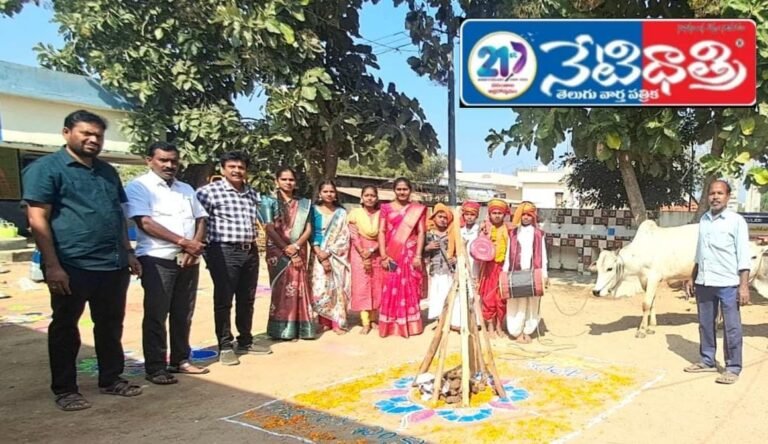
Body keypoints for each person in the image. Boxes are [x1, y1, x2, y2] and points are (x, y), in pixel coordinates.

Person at [22, 110, 143, 411]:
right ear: (66, 133)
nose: (93, 139)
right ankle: (65, 389)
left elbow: (118, 214)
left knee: (110, 324)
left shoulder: (106, 171)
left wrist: (128, 252)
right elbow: (38, 218)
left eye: (98, 135)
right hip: (72, 264)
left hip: (112, 264)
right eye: (86, 133)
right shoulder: (46, 169)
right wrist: (52, 265)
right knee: (65, 326)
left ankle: (111, 379)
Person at [125, 142, 209, 385]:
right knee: (157, 314)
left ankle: (181, 359)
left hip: (188, 259)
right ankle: (156, 367)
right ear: (149, 160)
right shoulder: (140, 186)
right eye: (163, 160)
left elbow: (200, 218)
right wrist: (184, 241)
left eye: (173, 160)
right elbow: (145, 223)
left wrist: (194, 246)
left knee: (183, 312)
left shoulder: (186, 189)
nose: (169, 165)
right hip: (157, 259)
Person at [196, 152, 271, 366]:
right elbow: (199, 222)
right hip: (223, 251)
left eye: (241, 167)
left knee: (247, 298)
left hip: (250, 250)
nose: (237, 170)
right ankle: (225, 345)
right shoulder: (208, 193)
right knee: (224, 300)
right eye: (232, 166)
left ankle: (245, 340)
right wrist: (206, 253)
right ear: (222, 169)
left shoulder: (252, 194)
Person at [685, 180, 751, 384]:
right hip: (705, 281)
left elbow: (743, 256)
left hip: (728, 283)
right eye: (712, 193)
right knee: (705, 324)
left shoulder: (736, 221)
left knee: (731, 327)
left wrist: (744, 286)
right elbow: (700, 252)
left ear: (728, 196)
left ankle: (732, 367)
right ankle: (707, 360)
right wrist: (692, 276)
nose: (715, 197)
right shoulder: (704, 219)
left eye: (719, 193)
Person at [263, 167, 318, 340]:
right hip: (277, 251)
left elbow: (308, 228)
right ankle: (281, 329)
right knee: (281, 289)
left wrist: (296, 246)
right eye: (284, 179)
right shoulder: (267, 201)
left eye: (291, 180)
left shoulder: (304, 204)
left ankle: (300, 328)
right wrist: (287, 249)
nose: (288, 183)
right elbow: (268, 227)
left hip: (298, 248)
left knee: (299, 287)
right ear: (277, 181)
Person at [378, 178, 426, 338]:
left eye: (405, 189)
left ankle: (410, 324)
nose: (402, 192)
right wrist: (384, 255)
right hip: (392, 254)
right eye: (399, 189)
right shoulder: (385, 208)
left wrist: (418, 255)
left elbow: (421, 232)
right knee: (390, 286)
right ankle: (391, 325)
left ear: (410, 190)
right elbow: (381, 232)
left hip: (410, 254)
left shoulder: (417, 209)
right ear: (394, 190)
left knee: (410, 286)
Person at [310, 180, 351, 334]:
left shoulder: (341, 213)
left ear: (335, 194)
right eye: (325, 191)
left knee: (337, 288)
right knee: (321, 288)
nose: (329, 194)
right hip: (317, 255)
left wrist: (329, 252)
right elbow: (310, 233)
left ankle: (337, 322)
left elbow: (344, 236)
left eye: (331, 191)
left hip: (336, 256)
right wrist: (319, 253)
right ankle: (323, 321)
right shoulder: (313, 211)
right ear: (320, 193)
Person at [506, 202, 547, 344]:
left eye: (528, 215)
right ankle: (516, 332)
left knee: (532, 303)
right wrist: (505, 272)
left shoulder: (538, 233)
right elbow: (507, 253)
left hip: (533, 272)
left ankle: (528, 330)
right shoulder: (513, 233)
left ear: (533, 217)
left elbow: (543, 254)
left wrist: (544, 274)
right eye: (523, 215)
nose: (525, 218)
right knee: (515, 302)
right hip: (515, 272)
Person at [348, 186, 383, 335]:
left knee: (376, 285)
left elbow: (384, 235)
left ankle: (374, 319)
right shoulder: (354, 214)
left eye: (372, 195)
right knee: (362, 286)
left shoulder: (382, 214)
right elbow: (353, 235)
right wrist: (363, 252)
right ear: (361, 197)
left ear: (376, 198)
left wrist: (372, 250)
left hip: (377, 251)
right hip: (358, 252)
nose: (369, 198)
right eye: (366, 195)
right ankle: (365, 322)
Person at [477, 199, 510, 338]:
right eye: (494, 213)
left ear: (504, 215)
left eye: (499, 213)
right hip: (489, 268)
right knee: (488, 296)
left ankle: (499, 326)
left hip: (504, 267)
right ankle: (490, 325)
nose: (497, 215)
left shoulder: (509, 229)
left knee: (502, 298)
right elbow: (478, 248)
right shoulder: (484, 229)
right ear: (489, 214)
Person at [424, 203, 458, 325]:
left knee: (446, 293)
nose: (443, 220)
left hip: (448, 270)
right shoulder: (429, 234)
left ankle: (447, 318)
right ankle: (439, 319)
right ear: (434, 217)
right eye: (440, 217)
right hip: (434, 269)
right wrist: (428, 247)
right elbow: (421, 251)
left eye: (445, 218)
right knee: (435, 294)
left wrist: (455, 259)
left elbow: (459, 250)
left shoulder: (452, 234)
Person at [460, 201, 481, 280]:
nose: (469, 217)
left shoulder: (479, 231)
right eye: (467, 214)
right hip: (461, 265)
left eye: (472, 215)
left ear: (476, 216)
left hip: (475, 266)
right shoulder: (460, 231)